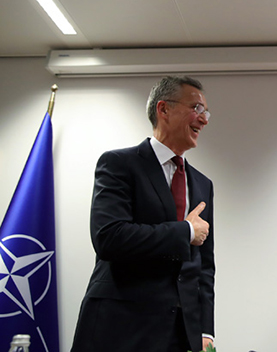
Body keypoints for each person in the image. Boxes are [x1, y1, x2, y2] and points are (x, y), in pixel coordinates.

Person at [71, 76, 215, 352]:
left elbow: (204, 265)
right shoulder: (118, 164)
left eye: (206, 113)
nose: (203, 120)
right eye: (196, 108)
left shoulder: (202, 184)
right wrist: (185, 231)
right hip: (120, 327)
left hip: (180, 333)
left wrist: (205, 329)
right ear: (164, 109)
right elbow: (109, 237)